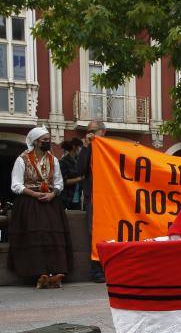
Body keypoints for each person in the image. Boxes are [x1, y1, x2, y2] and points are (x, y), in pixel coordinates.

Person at [8, 127, 72, 288]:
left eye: (48, 139)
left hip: (50, 201)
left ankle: (56, 272)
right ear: (35, 142)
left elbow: (59, 183)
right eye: (44, 140)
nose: (47, 142)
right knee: (34, 236)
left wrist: (53, 194)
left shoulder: (53, 160)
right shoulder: (22, 159)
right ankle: (38, 272)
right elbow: (15, 185)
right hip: (30, 202)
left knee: (53, 236)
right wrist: (35, 194)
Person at [77, 120, 107, 282]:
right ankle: (97, 271)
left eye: (94, 131)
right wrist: (86, 147)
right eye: (88, 131)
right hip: (94, 199)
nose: (90, 134)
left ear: (103, 132)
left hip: (111, 198)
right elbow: (79, 170)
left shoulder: (110, 148)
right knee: (94, 233)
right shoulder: (87, 149)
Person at [59, 138, 84, 210]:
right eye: (80, 147)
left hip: (77, 197)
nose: (81, 150)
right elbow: (64, 181)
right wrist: (81, 178)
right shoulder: (63, 161)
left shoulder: (79, 160)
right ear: (74, 147)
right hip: (65, 197)